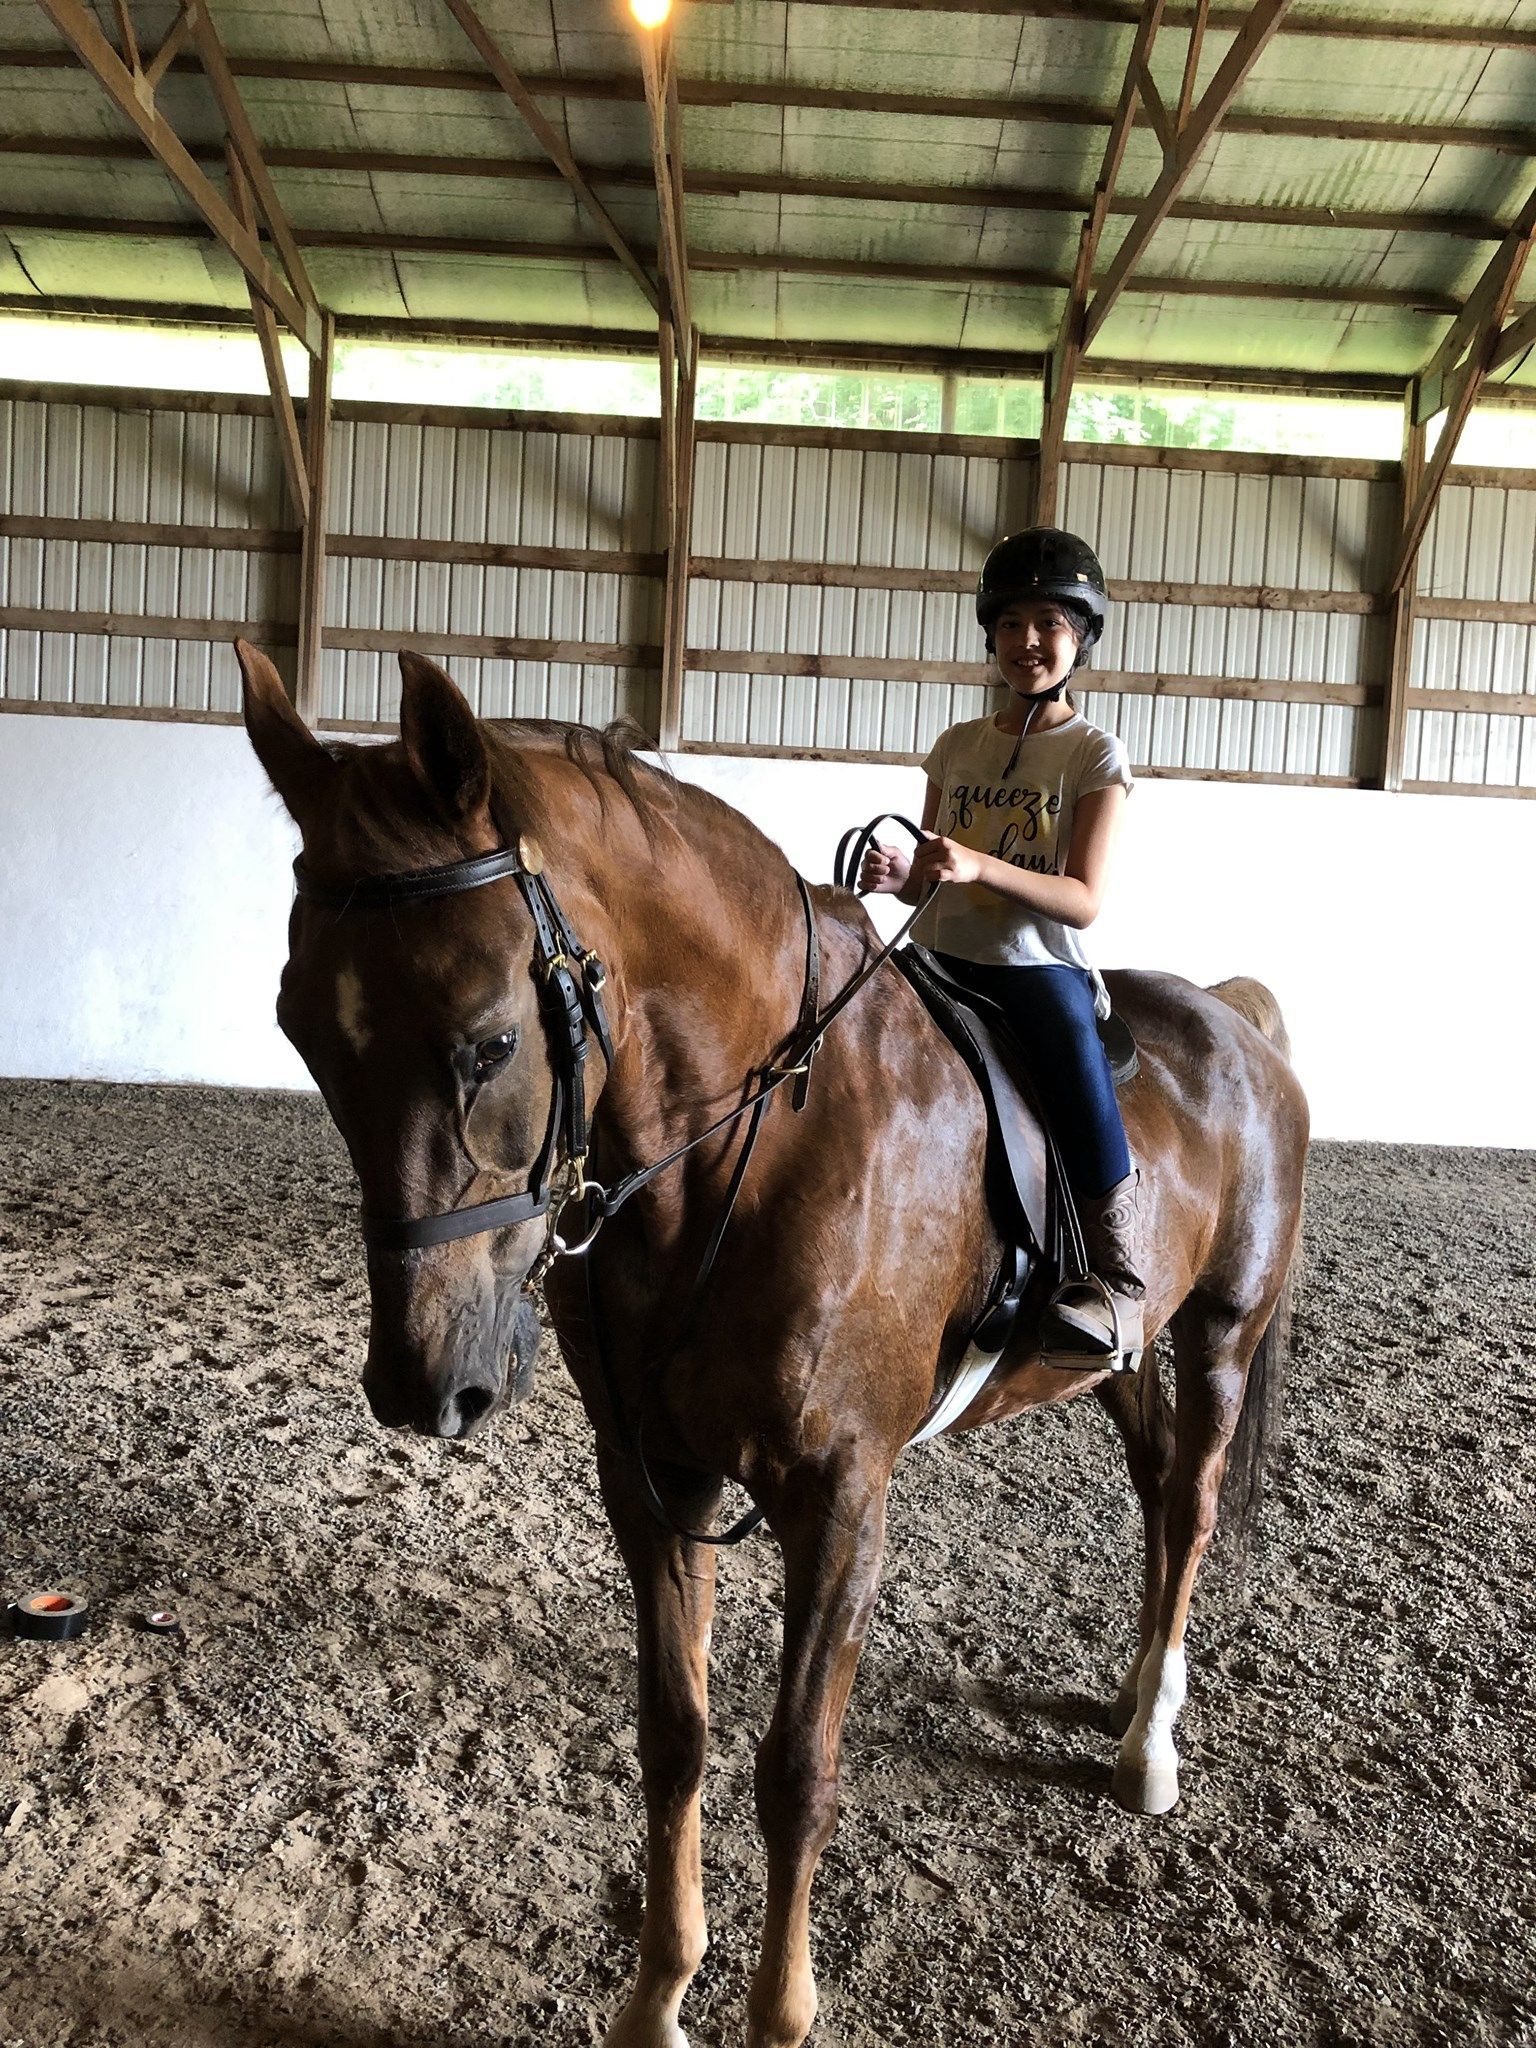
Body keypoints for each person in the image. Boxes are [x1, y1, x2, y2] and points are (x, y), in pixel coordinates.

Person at [860, 527, 1143, 1372]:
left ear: (1080, 638)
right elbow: (934, 880)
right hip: (938, 957)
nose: (1028, 640)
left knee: (1072, 1063)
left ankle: (1119, 1277)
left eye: (1050, 623)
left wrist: (982, 862)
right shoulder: (956, 746)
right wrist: (902, 873)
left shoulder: (1093, 753)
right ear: (991, 634)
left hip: (1033, 967)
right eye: (1013, 622)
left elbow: (1085, 902)